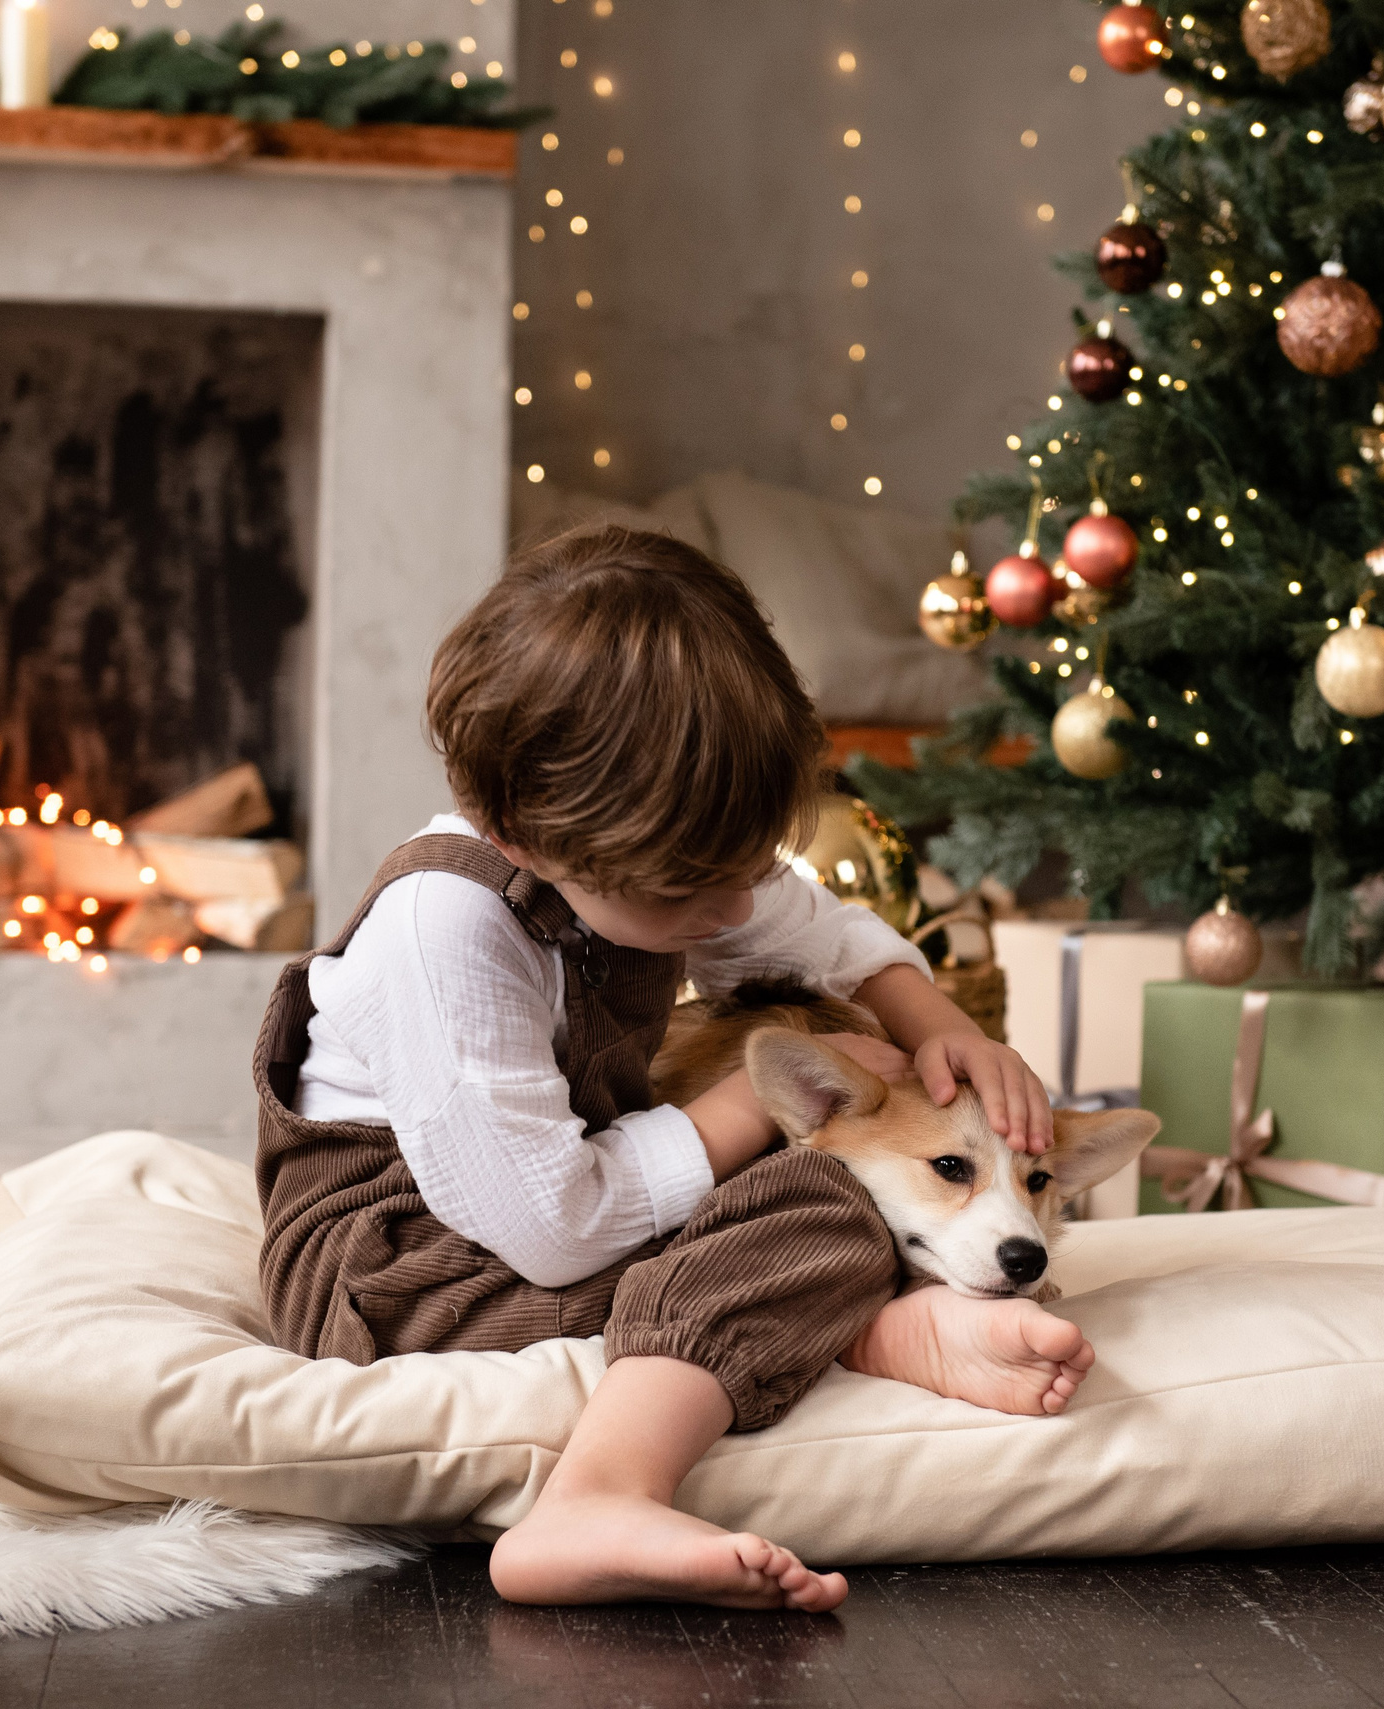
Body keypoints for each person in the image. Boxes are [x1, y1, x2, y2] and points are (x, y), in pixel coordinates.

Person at [253, 525, 1090, 1613]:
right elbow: (556, 1232)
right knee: (826, 1196)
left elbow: (823, 931)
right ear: (521, 832)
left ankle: (865, 1319)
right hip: (408, 1268)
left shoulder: (652, 859)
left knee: (834, 1189)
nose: (735, 911)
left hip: (546, 1208)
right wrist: (748, 1099)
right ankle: (601, 1493)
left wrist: (934, 1020)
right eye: (697, 889)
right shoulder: (444, 935)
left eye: (747, 868)